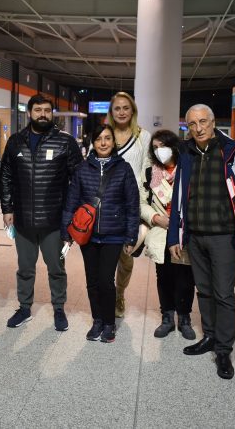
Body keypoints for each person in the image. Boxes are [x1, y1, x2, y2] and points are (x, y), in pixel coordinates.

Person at [167, 104, 235, 380]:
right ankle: (209, 336)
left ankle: (223, 349)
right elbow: (178, 196)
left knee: (223, 294)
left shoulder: (233, 151)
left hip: (224, 236)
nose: (198, 128)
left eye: (203, 122)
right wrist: (175, 235)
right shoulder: (185, 153)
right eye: (192, 124)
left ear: (212, 122)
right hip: (195, 235)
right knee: (205, 291)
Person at [1, 94, 82, 331]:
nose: (43, 114)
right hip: (23, 220)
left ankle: (59, 308)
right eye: (38, 110)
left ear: (52, 113)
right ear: (29, 113)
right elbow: (5, 176)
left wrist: (71, 215)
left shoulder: (65, 142)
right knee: (25, 269)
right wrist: (7, 208)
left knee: (56, 268)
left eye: (47, 110)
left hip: (54, 221)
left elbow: (77, 180)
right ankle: (24, 308)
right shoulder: (16, 141)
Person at [61, 124, 139, 343]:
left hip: (114, 234)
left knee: (105, 280)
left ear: (114, 142)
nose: (103, 143)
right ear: (93, 143)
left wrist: (131, 236)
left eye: (107, 138)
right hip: (88, 235)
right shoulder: (82, 168)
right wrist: (66, 232)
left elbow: (132, 205)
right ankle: (97, 320)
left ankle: (109, 323)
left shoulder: (124, 169)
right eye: (99, 139)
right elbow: (71, 201)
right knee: (92, 281)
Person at [140, 130, 196, 340]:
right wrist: (155, 217)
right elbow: (141, 202)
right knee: (163, 276)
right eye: (155, 147)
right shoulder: (150, 173)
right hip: (160, 232)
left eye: (163, 146)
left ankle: (185, 318)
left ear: (174, 146)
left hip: (183, 232)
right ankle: (167, 317)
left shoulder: (187, 168)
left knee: (185, 277)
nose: (159, 151)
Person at [107, 92, 151, 318]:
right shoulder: (105, 134)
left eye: (126, 108)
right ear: (111, 112)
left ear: (132, 110)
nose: (122, 112)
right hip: (107, 205)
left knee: (126, 257)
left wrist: (142, 205)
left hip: (131, 205)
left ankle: (119, 294)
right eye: (117, 108)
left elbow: (147, 170)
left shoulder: (144, 136)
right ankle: (106, 296)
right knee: (106, 255)